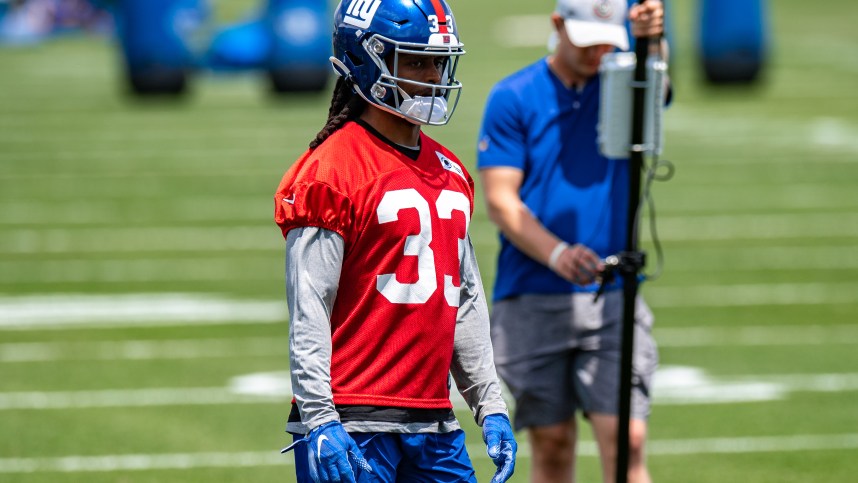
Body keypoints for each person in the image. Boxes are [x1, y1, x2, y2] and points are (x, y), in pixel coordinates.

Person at [273, 1, 517, 482]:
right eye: (415, 60)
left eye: (436, 61)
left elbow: (463, 299)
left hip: (433, 420)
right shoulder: (332, 169)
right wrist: (321, 417)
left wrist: (489, 402)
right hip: (352, 417)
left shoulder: (449, 170)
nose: (431, 75)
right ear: (366, 56)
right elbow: (310, 305)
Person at [476, 0, 667, 482]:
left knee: (629, 439)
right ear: (558, 25)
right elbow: (501, 199)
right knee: (553, 444)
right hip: (533, 294)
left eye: (608, 41)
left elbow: (658, 86)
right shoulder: (514, 95)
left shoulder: (623, 82)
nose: (597, 53)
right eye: (586, 41)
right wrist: (557, 254)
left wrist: (651, 38)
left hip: (612, 294)